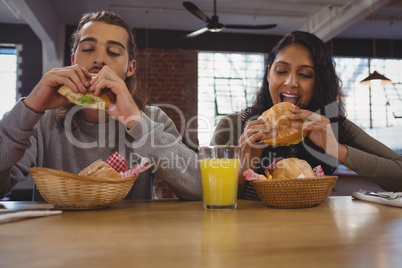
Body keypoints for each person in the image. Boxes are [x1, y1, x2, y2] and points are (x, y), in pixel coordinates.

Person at [0, 11, 202, 200]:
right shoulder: (42, 122)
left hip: (133, 235)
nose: (99, 59)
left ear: (130, 68)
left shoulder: (152, 119)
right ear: (73, 59)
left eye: (113, 52)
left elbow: (200, 188)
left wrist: (136, 121)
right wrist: (30, 108)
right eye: (88, 49)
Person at [211, 31, 402, 199]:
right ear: (269, 74)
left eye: (305, 74)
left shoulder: (333, 126)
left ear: (319, 82)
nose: (291, 82)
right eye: (282, 71)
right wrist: (243, 169)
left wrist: (336, 148)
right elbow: (212, 197)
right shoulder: (233, 125)